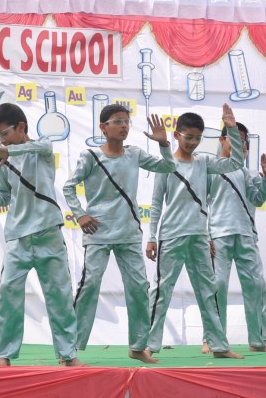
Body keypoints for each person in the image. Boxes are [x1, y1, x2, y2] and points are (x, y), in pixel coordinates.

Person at [0, 103, 85, 367]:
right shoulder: (2, 162)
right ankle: (5, 355)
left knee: (59, 296)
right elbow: (3, 196)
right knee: (9, 296)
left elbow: (43, 147)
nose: (1, 141)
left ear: (21, 127)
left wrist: (9, 151)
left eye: (4, 133)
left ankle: (68, 355)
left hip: (49, 234)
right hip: (18, 238)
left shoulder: (42, 148)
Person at [62, 105, 175, 363]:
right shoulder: (90, 156)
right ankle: (71, 348)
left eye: (126, 121)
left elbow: (168, 167)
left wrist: (164, 144)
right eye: (117, 121)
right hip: (98, 232)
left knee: (139, 288)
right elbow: (69, 187)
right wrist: (80, 214)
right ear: (103, 127)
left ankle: (138, 346)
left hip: (128, 232)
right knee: (90, 285)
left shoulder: (135, 154)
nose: (124, 126)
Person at [145, 104, 245, 360]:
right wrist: (152, 237)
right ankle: (148, 345)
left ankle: (219, 345)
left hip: (199, 237)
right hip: (171, 235)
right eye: (188, 137)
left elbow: (235, 162)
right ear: (176, 135)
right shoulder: (166, 165)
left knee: (208, 291)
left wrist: (232, 129)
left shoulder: (203, 162)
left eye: (197, 138)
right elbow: (156, 203)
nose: (192, 143)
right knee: (161, 291)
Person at [201, 123, 266, 354]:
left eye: (243, 141)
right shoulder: (210, 170)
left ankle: (259, 340)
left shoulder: (248, 174)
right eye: (234, 138)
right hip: (218, 236)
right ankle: (211, 338)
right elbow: (200, 203)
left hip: (246, 235)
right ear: (222, 140)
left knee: (256, 285)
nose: (240, 144)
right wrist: (204, 235)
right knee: (217, 285)